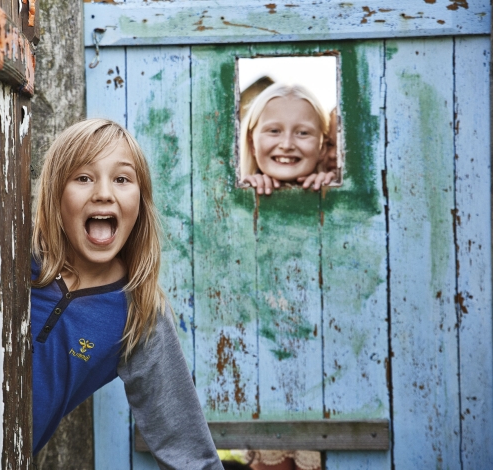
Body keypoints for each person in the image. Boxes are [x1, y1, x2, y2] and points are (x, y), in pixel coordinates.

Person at [31, 118, 223, 469]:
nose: (104, 193)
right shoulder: (14, 264)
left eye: (121, 179)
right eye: (83, 177)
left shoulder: (140, 312)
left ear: (140, 201)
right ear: (56, 195)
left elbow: (187, 450)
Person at [240, 83, 336, 195]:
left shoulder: (334, 187)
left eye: (302, 133)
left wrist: (333, 188)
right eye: (274, 131)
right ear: (252, 144)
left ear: (322, 148)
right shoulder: (235, 195)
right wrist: (244, 194)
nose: (286, 145)